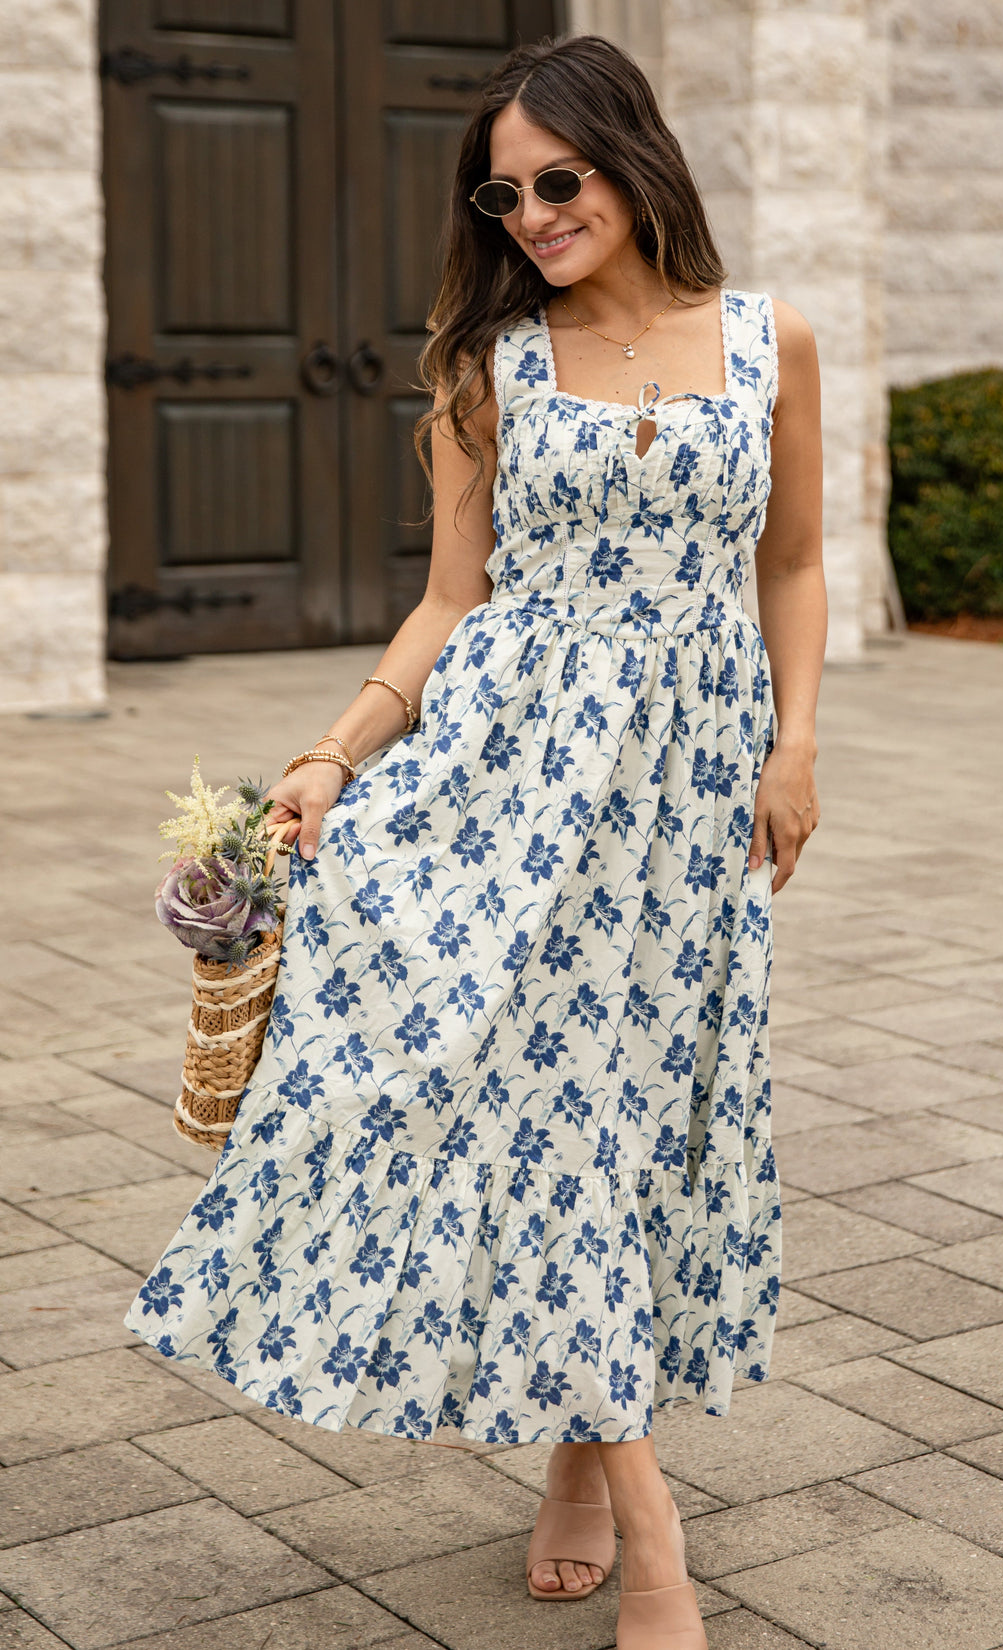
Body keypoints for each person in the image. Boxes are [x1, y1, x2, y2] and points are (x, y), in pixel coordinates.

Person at [124, 32, 824, 1649]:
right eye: (501, 195)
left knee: (644, 1115)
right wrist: (331, 753)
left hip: (689, 802)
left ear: (631, 157)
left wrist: (797, 744)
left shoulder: (766, 337)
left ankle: (580, 1465)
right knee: (548, 1117)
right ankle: (653, 1533)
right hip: (507, 792)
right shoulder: (484, 368)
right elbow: (453, 599)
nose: (529, 214)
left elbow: (791, 562)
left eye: (556, 180)